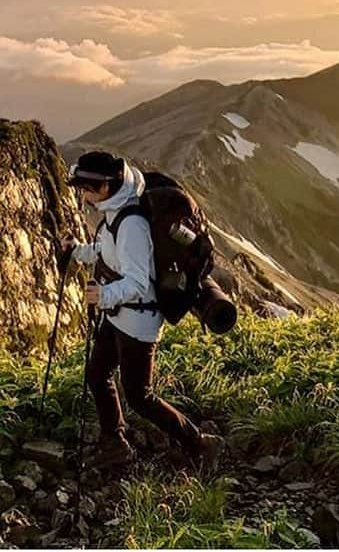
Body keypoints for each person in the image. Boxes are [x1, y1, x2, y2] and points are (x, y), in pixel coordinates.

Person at [60, 150, 222, 469]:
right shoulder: (116, 211)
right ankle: (115, 443)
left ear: (105, 186)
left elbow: (136, 281)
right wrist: (78, 252)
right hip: (119, 315)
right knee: (97, 374)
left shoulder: (131, 223)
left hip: (137, 322)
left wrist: (103, 295)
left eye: (86, 188)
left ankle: (199, 444)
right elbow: (108, 252)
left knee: (140, 397)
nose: (83, 194)